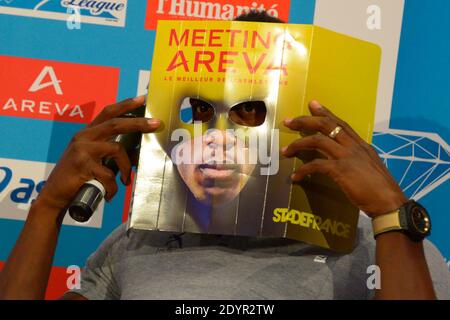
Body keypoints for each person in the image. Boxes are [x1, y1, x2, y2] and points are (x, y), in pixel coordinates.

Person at [0, 11, 449, 300]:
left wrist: (393, 215)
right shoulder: (138, 241)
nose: (218, 138)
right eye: (199, 112)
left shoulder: (376, 244)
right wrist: (48, 209)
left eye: (251, 113)